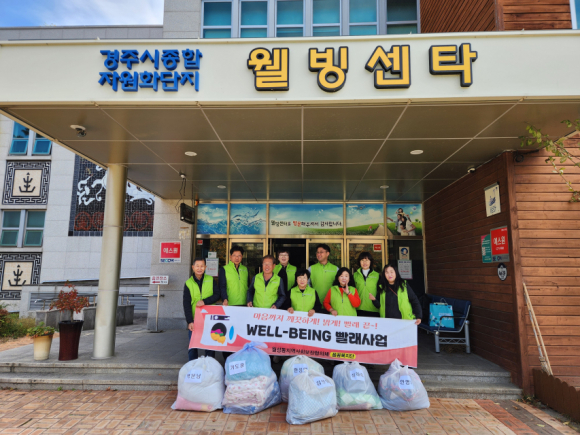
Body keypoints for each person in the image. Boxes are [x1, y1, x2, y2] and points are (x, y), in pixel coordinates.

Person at [183, 257, 220, 361]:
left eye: (202, 266)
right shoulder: (188, 283)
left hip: (209, 318)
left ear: (205, 267)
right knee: (193, 345)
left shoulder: (211, 279)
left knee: (209, 344)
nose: (199, 268)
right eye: (197, 266)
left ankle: (209, 365)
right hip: (195, 318)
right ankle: (193, 365)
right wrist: (189, 321)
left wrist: (205, 301)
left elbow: (217, 295)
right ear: (193, 267)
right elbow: (186, 303)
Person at [219, 246, 250, 361]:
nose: (237, 258)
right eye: (235, 255)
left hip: (243, 306)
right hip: (230, 305)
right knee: (229, 331)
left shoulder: (245, 269)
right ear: (230, 257)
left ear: (242, 257)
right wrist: (224, 298)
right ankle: (227, 356)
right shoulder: (224, 269)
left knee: (241, 331)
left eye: (239, 255)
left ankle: (240, 354)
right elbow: (222, 286)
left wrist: (249, 300)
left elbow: (249, 287)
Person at [308, 244, 339, 313]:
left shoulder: (335, 269)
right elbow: (307, 285)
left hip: (331, 306)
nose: (318, 254)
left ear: (327, 253)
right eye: (317, 252)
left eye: (321, 252)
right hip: (315, 306)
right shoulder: (311, 268)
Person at [353, 252, 380, 318]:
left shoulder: (377, 276)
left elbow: (380, 292)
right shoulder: (355, 275)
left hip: (373, 309)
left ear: (370, 261)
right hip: (358, 308)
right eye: (362, 260)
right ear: (359, 262)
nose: (364, 262)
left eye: (367, 260)